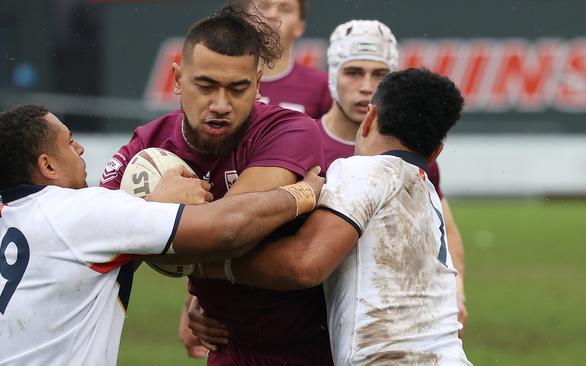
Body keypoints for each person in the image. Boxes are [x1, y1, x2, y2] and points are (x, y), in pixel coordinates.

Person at [0, 104, 323, 365]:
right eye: (70, 142)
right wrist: (301, 194)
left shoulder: (1, 214)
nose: (81, 148)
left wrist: (153, 204)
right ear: (48, 166)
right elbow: (227, 229)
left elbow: (97, 252)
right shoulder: (80, 213)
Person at [99, 4, 332, 365]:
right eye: (205, 86)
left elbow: (231, 230)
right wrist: (152, 209)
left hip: (313, 347)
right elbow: (98, 243)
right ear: (177, 79)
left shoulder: (290, 130)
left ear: (257, 85)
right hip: (227, 346)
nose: (220, 104)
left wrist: (148, 232)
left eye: (238, 89)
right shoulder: (147, 145)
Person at [196, 68, 472, 365]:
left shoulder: (362, 171)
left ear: (369, 119)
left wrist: (208, 264)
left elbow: (304, 264)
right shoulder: (427, 191)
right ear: (436, 153)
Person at [317, 20, 468, 331]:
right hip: (306, 322)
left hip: (381, 327)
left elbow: (445, 228)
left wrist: (457, 287)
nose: (366, 86)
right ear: (333, 76)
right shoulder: (299, 142)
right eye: (354, 72)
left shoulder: (412, 150)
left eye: (379, 75)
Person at [233, 0, 331, 118]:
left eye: (285, 9)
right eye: (263, 6)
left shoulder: (322, 86)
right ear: (246, 19)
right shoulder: (222, 76)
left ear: (300, 27)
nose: (272, 15)